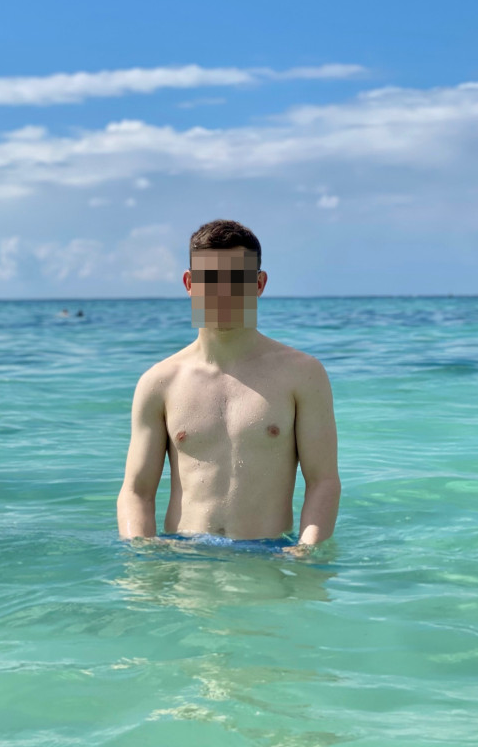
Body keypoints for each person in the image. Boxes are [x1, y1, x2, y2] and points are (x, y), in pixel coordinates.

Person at [116, 219, 341, 558]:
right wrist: (143, 553)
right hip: (186, 555)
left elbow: (323, 481)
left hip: (267, 555)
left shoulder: (302, 375)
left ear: (259, 284)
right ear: (190, 283)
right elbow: (136, 492)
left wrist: (306, 553)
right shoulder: (159, 382)